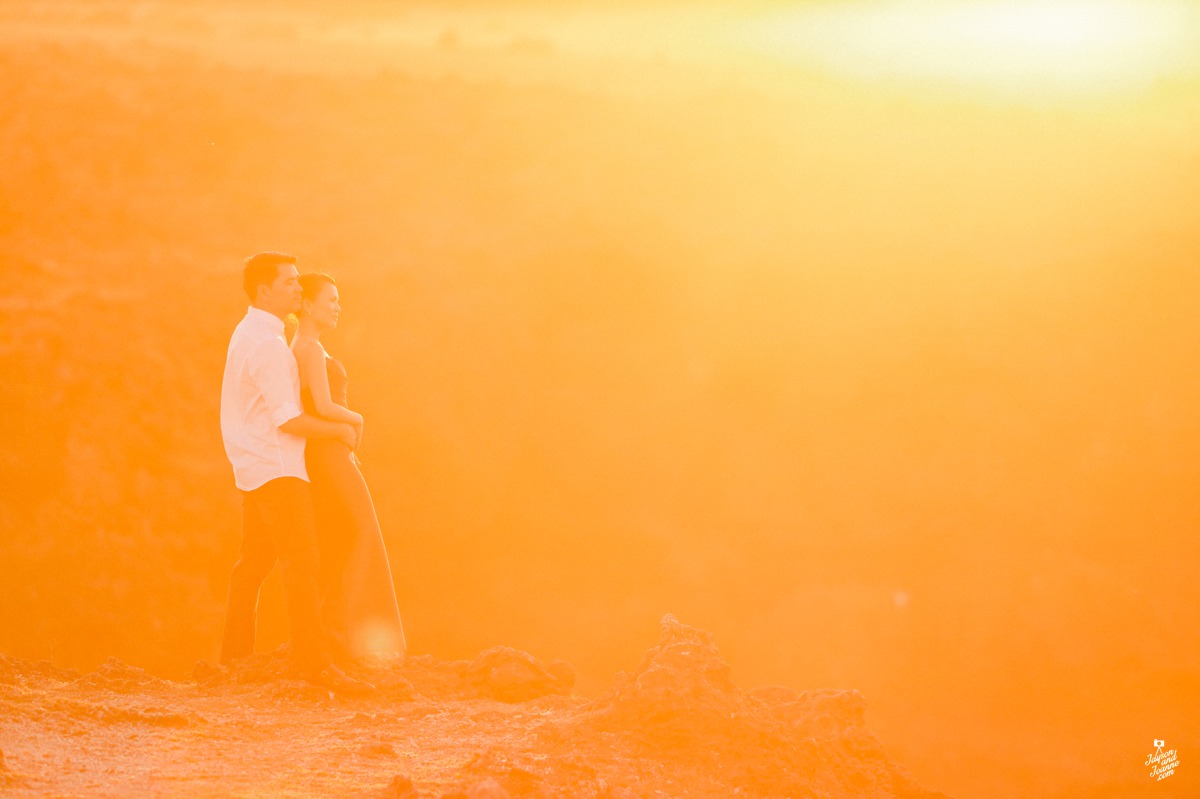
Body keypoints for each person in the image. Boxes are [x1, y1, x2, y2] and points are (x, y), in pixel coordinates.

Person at [218, 252, 374, 694]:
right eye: (288, 283)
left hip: (254, 463)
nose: (296, 289)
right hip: (278, 465)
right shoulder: (267, 345)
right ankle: (314, 664)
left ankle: (234, 661)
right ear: (264, 290)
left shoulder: (250, 331)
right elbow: (287, 419)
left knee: (251, 566)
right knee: (302, 560)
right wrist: (344, 427)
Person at [291, 272, 406, 664]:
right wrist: (356, 420)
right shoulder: (306, 347)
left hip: (333, 452)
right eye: (331, 300)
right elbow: (321, 407)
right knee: (356, 535)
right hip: (328, 455)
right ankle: (345, 638)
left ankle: (342, 635)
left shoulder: (312, 346)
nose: (338, 307)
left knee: (348, 538)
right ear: (306, 305)